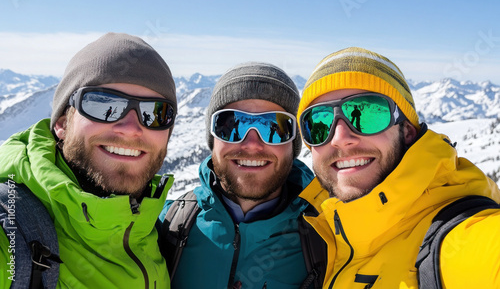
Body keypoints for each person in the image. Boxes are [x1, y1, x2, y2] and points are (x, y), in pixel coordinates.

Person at [296, 47, 500, 288]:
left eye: (370, 111)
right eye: (319, 123)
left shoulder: (462, 240)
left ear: (407, 132)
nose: (340, 137)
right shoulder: (318, 232)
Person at [0, 33, 177, 288]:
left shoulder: (155, 230)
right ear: (62, 123)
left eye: (155, 113)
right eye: (103, 103)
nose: (130, 128)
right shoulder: (11, 229)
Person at [159, 63, 324, 289]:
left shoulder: (327, 236)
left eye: (273, 127)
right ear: (212, 140)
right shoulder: (163, 227)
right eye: (232, 125)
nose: (252, 144)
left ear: (292, 145)